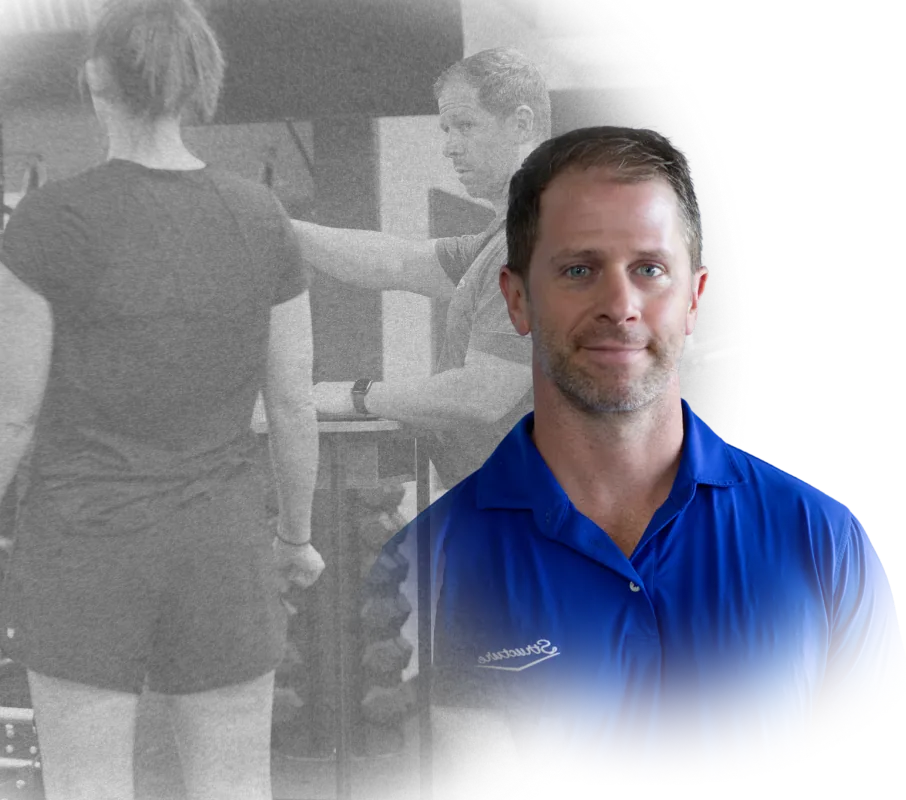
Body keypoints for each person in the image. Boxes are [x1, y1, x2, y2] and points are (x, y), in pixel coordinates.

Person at [376, 126, 906, 797]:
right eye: (579, 271)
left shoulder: (823, 541)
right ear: (519, 303)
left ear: (694, 298)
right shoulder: (478, 565)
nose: (618, 306)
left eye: (649, 270)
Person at [0, 2, 325, 799]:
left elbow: (12, 415)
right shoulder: (262, 218)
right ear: (199, 80)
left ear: (94, 77)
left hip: (84, 546)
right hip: (221, 546)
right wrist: (296, 536)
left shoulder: (47, 221)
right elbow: (293, 405)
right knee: (234, 786)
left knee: (88, 788)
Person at [294, 46, 549, 490]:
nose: (450, 147)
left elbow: (482, 393)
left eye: (465, 126)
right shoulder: (506, 235)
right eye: (446, 129)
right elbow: (396, 261)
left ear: (522, 123)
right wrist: (282, 229)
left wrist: (358, 395)